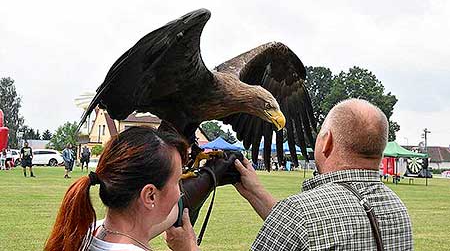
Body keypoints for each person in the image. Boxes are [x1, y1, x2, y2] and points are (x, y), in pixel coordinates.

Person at [234, 99, 413, 250]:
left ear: (327, 141)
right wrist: (254, 191)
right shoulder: (398, 209)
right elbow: (311, 230)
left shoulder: (298, 213)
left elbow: (303, 223)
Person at [44, 126, 199, 251]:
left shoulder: (88, 233)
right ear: (150, 195)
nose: (180, 192)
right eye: (177, 181)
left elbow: (162, 218)